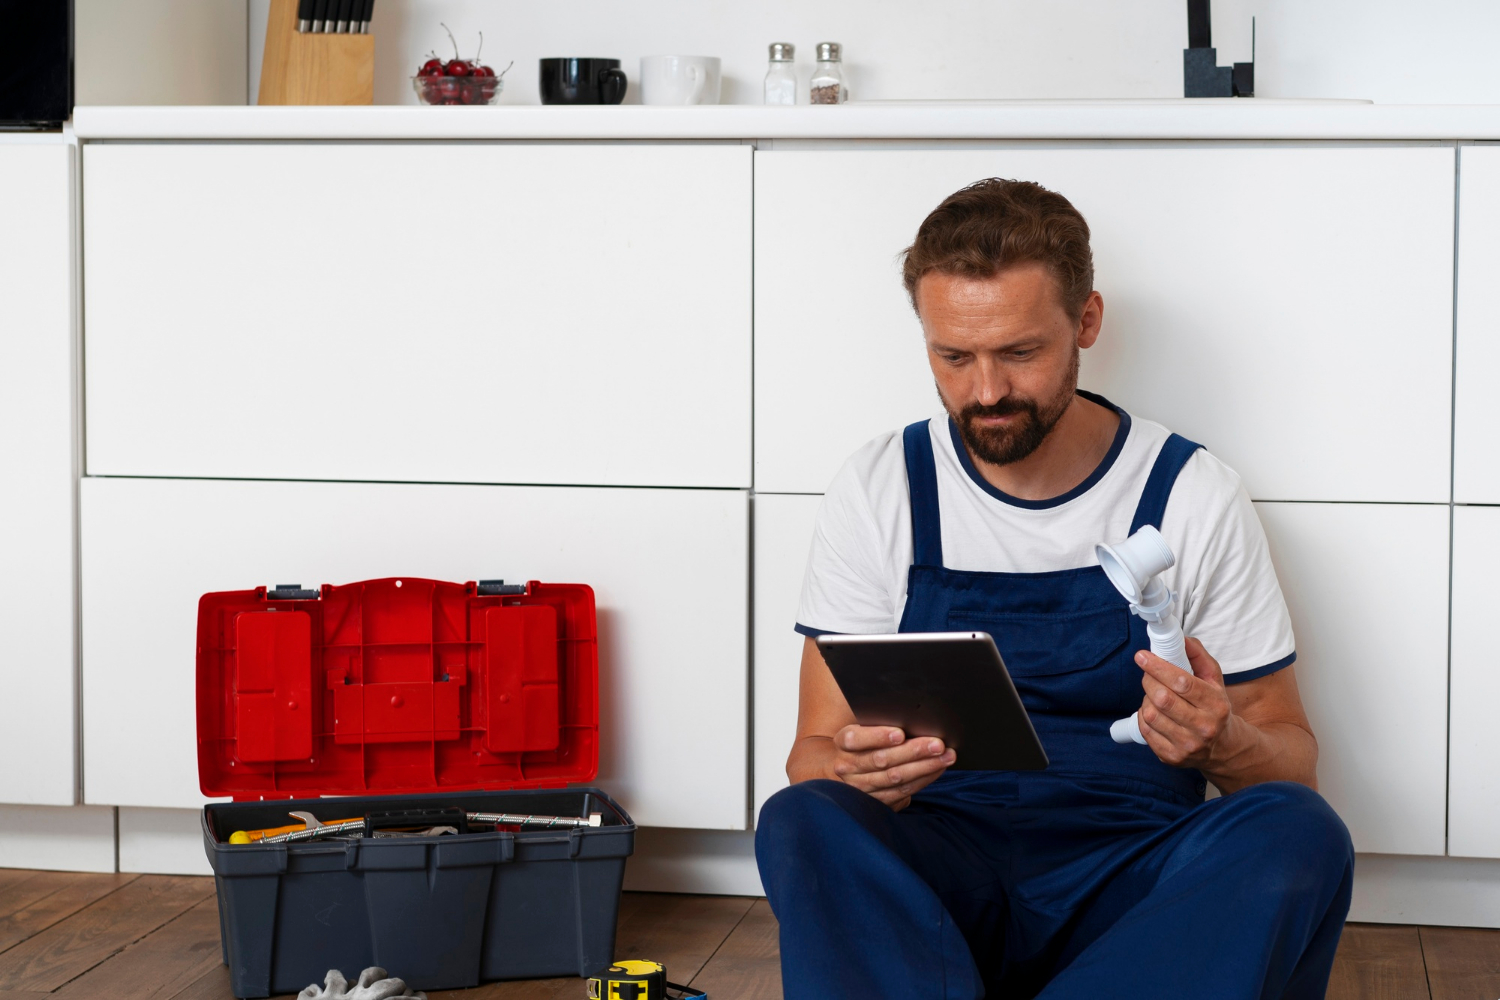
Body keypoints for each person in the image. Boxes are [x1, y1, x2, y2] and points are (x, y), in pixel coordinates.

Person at [755, 178, 1354, 1000]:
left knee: (1300, 831)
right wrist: (852, 774)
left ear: (1087, 321)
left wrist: (1223, 744)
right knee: (800, 819)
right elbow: (810, 756)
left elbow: (1293, 764)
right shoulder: (881, 486)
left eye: (1021, 352)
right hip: (936, 881)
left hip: (1129, 881)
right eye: (954, 357)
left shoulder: (1190, 491)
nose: (986, 391)